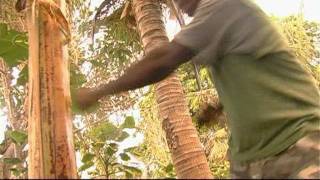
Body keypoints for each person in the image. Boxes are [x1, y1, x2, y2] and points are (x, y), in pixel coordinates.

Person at [75, 0, 320, 178]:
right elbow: (257, 71)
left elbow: (164, 60)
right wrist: (220, 104)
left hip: (298, 146)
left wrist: (100, 91)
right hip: (254, 161)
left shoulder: (225, 6)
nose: (177, 3)